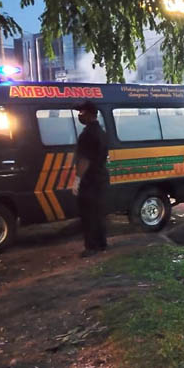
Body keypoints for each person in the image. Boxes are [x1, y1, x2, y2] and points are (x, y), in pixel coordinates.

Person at [73, 100, 110, 258]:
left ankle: (91, 247)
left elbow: (85, 160)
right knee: (99, 213)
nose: (79, 115)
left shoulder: (87, 134)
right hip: (101, 178)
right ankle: (101, 244)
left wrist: (78, 180)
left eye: (81, 113)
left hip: (91, 180)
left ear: (89, 114)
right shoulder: (100, 131)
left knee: (89, 214)